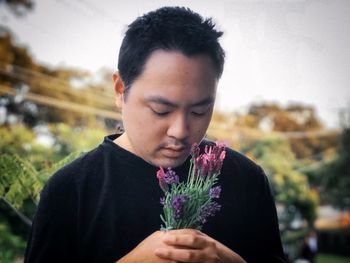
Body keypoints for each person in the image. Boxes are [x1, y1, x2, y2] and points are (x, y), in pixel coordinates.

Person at [24, 6, 286, 263]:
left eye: (199, 111)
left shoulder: (248, 180)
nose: (181, 131)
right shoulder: (70, 190)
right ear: (119, 90)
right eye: (161, 110)